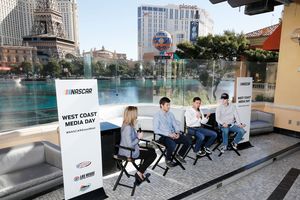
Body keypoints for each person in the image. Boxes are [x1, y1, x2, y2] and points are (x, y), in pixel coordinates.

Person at [118, 106, 157, 185]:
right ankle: (140, 172)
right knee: (153, 154)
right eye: (136, 113)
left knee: (151, 150)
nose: (137, 115)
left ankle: (140, 172)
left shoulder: (126, 124)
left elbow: (130, 140)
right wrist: (138, 138)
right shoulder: (128, 127)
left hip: (129, 149)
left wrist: (137, 135)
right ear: (132, 114)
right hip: (129, 152)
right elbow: (130, 144)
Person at [153, 97, 191, 168]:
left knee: (188, 140)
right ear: (162, 105)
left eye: (169, 105)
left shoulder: (170, 114)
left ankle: (179, 155)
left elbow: (175, 125)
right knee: (172, 144)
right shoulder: (157, 116)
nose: (169, 107)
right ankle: (168, 159)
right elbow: (156, 130)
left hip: (173, 134)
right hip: (163, 136)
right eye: (167, 105)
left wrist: (177, 133)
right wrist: (169, 134)